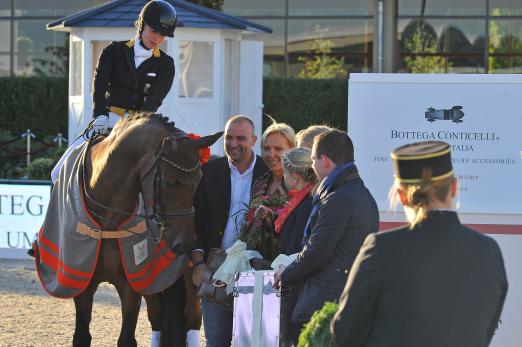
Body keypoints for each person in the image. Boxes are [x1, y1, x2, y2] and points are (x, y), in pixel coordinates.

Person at [331, 140, 508, 347]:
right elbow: (485, 331)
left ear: (402, 196)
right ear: (453, 187)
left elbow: (345, 332)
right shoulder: (488, 251)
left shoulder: (382, 248)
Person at [51, 0, 177, 183]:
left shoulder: (166, 64)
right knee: (57, 173)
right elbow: (99, 84)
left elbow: (154, 100)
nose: (157, 38)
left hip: (140, 124)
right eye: (153, 31)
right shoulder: (113, 51)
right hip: (110, 118)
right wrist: (100, 115)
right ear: (141, 25)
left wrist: (136, 126)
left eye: (163, 34)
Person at [274, 129, 379, 344]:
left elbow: (317, 251)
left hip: (323, 305)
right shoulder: (363, 194)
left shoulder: (338, 199)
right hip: (345, 299)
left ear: (325, 161)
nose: (311, 165)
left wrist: (286, 274)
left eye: (313, 159)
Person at [191, 115, 268, 347]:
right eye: (229, 137)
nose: (233, 144)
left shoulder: (269, 173)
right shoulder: (209, 171)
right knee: (216, 342)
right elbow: (195, 220)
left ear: (253, 140)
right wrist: (198, 264)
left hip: (255, 272)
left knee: (251, 342)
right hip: (215, 271)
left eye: (241, 138)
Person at [240, 120, 296, 260]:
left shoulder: (297, 184)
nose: (271, 154)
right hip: (256, 261)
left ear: (292, 149)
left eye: (278, 149)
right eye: (266, 148)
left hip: (286, 261)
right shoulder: (260, 182)